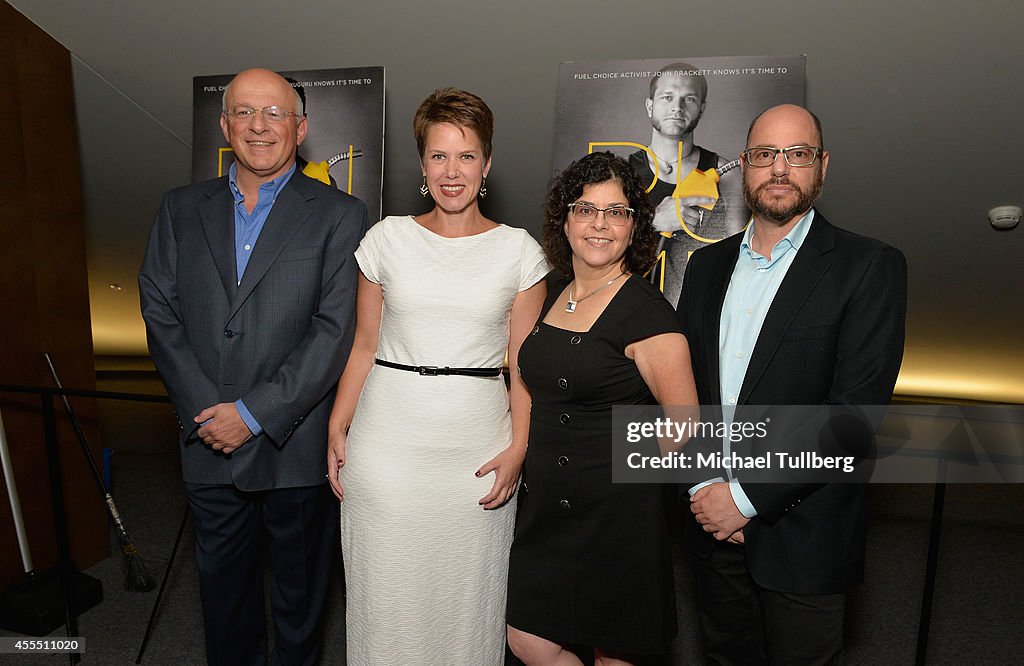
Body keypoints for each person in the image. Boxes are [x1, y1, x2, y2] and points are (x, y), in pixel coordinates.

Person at [138, 68, 367, 665]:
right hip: (206, 439)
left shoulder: (341, 214)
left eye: (274, 113)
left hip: (294, 448)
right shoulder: (179, 208)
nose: (259, 126)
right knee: (223, 603)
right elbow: (158, 309)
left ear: (301, 127)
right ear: (224, 124)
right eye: (244, 112)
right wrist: (210, 413)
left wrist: (254, 413)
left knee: (300, 605)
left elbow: (334, 329)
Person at [677, 104, 907, 664]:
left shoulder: (869, 265)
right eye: (764, 155)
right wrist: (706, 492)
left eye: (797, 154)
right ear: (744, 165)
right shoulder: (705, 268)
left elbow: (852, 419)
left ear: (821, 167)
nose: (779, 169)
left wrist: (744, 498)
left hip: (805, 536)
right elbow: (688, 394)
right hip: (710, 529)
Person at [326, 88, 547, 664]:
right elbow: (364, 347)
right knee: (383, 598)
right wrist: (337, 424)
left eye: (467, 155)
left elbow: (525, 368)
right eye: (439, 156)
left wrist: (521, 446)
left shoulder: (519, 252)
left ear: (488, 164)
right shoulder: (386, 239)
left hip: (476, 452)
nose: (453, 171)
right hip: (387, 449)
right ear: (422, 165)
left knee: (468, 605)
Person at [506, 152, 698, 665]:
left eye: (616, 212)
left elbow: (685, 425)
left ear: (634, 226)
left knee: (616, 654)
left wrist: (619, 468)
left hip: (616, 516)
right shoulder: (551, 293)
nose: (599, 224)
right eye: (586, 208)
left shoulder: (647, 313)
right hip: (547, 509)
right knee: (528, 638)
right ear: (564, 219)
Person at [628, 63, 747, 306]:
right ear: (650, 106)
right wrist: (652, 221)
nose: (677, 107)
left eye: (688, 98)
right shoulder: (620, 173)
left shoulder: (729, 176)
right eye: (667, 97)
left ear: (701, 109)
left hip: (694, 316)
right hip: (629, 311)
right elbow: (597, 248)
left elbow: (740, 260)